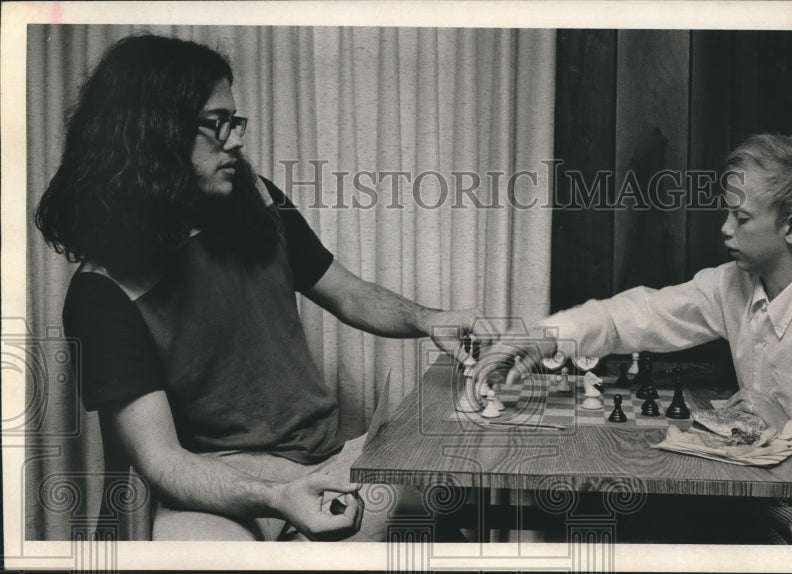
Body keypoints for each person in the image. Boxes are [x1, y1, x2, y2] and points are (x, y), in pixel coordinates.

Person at [34, 33, 489, 542]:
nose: (235, 139)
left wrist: (430, 319)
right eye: (216, 124)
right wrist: (278, 497)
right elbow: (161, 459)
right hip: (210, 486)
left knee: (439, 497)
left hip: (320, 463)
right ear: (152, 133)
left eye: (235, 122)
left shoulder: (257, 199)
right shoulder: (102, 291)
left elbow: (348, 293)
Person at [481, 134, 792, 544]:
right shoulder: (732, 287)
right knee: (619, 521)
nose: (724, 228)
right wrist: (545, 336)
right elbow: (639, 314)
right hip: (752, 498)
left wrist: (790, 435)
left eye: (741, 217)